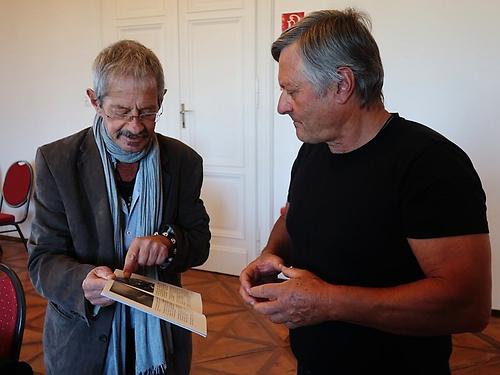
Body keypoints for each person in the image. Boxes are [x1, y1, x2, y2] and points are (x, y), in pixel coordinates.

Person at [239, 9, 491, 375]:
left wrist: (327, 303)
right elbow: (294, 215)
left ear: (343, 84)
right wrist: (271, 252)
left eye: (291, 90)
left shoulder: (431, 164)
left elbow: (468, 306)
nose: (281, 106)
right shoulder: (313, 148)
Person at [28, 40, 210, 375]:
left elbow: (199, 243)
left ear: (162, 99)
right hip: (81, 341)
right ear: (94, 101)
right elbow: (42, 260)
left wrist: (169, 243)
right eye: (121, 111)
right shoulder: (57, 162)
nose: (136, 126)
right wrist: (82, 280)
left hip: (161, 340)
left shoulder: (184, 162)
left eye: (147, 111)